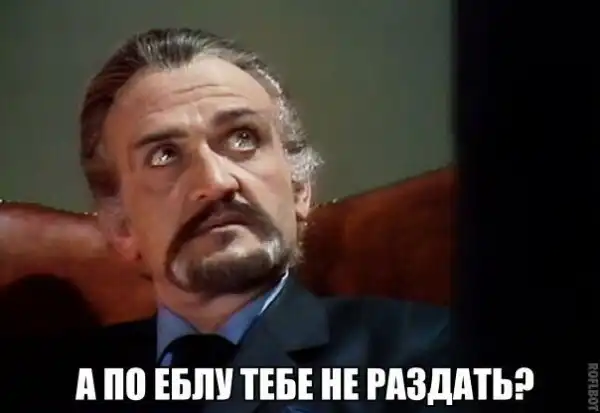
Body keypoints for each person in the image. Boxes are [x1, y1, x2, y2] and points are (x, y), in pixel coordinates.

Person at [5, 28, 450, 412]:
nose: (215, 182)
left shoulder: (427, 354)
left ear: (299, 189)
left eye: (242, 138)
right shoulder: (40, 383)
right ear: (122, 228)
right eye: (164, 155)